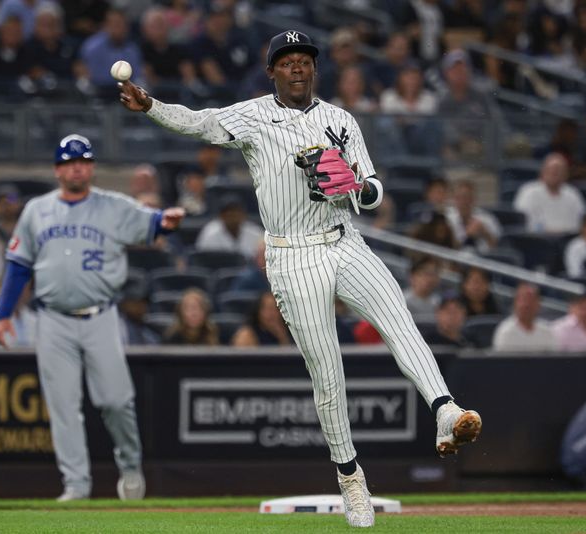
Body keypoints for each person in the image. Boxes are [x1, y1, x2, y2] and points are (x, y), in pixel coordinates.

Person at [118, 29, 482, 528]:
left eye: (304, 60)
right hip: (292, 254)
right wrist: (152, 105)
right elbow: (200, 123)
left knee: (400, 318)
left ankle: (444, 408)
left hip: (343, 238)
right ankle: (351, 478)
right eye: (286, 60)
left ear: (314, 68)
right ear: (272, 71)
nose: (296, 67)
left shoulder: (340, 120)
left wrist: (353, 183)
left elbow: (374, 189)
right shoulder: (252, 115)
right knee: (327, 373)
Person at [0, 134, 185, 501]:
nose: (77, 166)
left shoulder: (113, 206)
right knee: (64, 406)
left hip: (100, 316)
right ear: (57, 169)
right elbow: (18, 265)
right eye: (69, 161)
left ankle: (129, 467)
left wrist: (167, 221)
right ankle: (76, 486)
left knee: (116, 400)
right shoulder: (37, 210)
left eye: (83, 160)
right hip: (53, 319)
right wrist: (4, 315)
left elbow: (152, 223)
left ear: (92, 168)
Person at [513, 152, 586, 234]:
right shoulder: (528, 191)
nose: (554, 173)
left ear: (566, 175)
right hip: (536, 240)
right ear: (543, 172)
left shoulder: (573, 194)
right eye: (551, 170)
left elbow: (580, 223)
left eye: (559, 171)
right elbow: (522, 222)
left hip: (566, 240)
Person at [492, 282, 556, 352]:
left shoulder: (546, 331)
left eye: (531, 299)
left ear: (538, 304)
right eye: (523, 299)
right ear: (515, 303)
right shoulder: (506, 332)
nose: (527, 304)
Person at [194, 196, 263, 258]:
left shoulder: (256, 233)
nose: (232, 217)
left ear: (243, 215)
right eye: (228, 214)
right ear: (221, 216)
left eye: (236, 213)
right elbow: (202, 261)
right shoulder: (209, 233)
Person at [444, 180, 501, 253]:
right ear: (454, 199)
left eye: (466, 197)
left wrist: (484, 232)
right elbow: (445, 248)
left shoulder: (487, 218)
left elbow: (497, 248)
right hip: (455, 259)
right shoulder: (447, 219)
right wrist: (467, 236)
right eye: (458, 197)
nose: (462, 201)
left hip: (482, 260)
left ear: (473, 199)